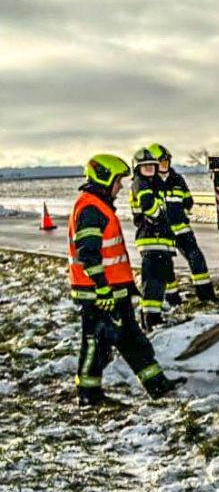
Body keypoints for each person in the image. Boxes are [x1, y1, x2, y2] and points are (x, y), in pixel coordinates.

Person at [69, 154, 185, 406]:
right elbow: (87, 253)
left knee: (132, 340)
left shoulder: (98, 206)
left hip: (114, 291)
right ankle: (88, 394)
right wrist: (102, 288)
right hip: (100, 294)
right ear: (104, 179)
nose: (120, 186)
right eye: (117, 181)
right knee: (96, 343)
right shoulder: (90, 209)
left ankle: (158, 385)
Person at [148, 143, 217, 303]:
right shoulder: (148, 183)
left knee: (197, 259)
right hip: (162, 233)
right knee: (166, 266)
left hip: (182, 230)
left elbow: (188, 200)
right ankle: (172, 300)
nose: (164, 164)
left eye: (166, 161)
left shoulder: (177, 179)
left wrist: (181, 216)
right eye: (161, 161)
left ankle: (206, 296)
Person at [129, 147, 175, 329]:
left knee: (160, 279)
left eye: (152, 165)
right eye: (145, 166)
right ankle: (150, 318)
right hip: (150, 238)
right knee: (153, 280)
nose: (149, 168)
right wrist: (160, 217)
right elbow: (148, 205)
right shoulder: (140, 183)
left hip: (159, 239)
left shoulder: (153, 183)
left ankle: (153, 315)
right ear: (137, 168)